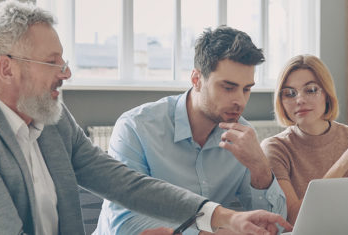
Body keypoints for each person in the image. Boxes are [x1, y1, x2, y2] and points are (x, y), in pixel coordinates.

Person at [0, 1, 292, 235]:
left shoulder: (52, 121)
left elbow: (125, 185)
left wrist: (224, 217)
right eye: (52, 62)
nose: (65, 73)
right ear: (6, 68)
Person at [94, 26, 287, 235]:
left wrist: (260, 168)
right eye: (228, 87)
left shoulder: (242, 137)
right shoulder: (136, 127)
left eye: (246, 89)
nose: (240, 101)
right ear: (196, 79)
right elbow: (124, 224)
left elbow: (275, 227)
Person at [260, 55, 348, 225]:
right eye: (289, 94)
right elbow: (296, 219)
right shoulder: (275, 148)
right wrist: (344, 163)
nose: (300, 100)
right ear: (281, 102)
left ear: (326, 94)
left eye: (311, 90)